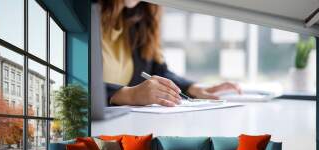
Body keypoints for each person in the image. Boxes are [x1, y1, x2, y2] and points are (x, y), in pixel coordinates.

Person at [98, 0, 241, 107]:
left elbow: (156, 71)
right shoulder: (82, 17)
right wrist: (128, 95)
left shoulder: (138, 17)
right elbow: (76, 86)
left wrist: (193, 89)